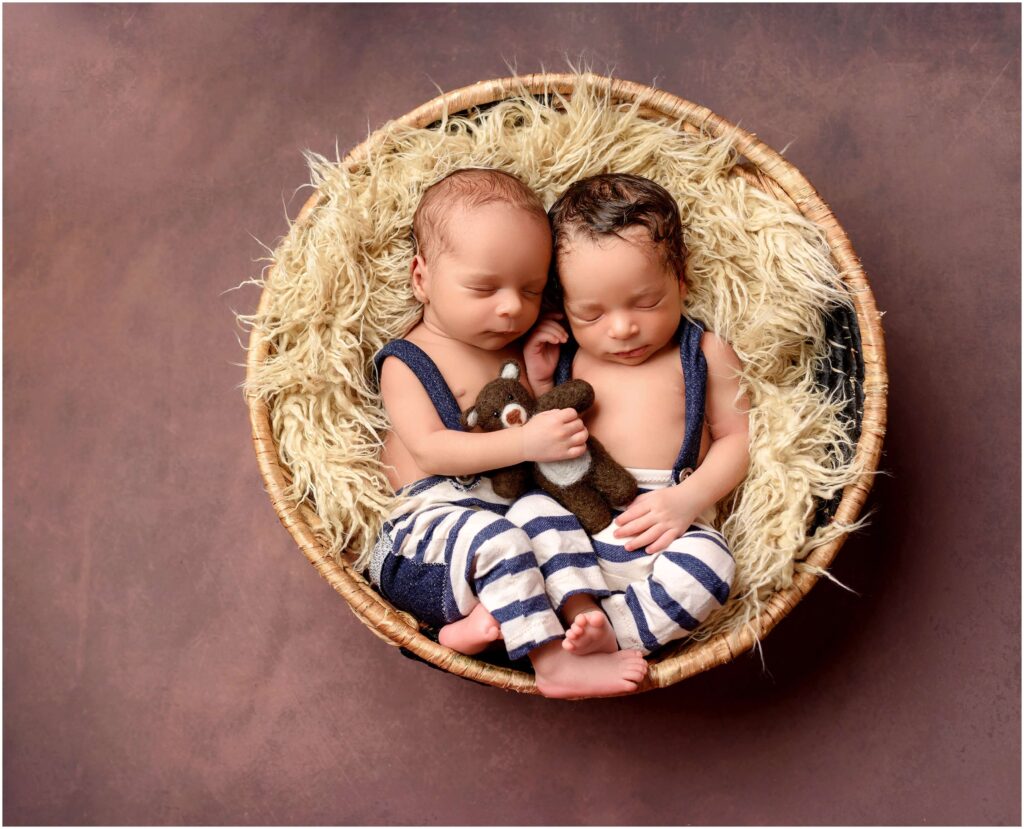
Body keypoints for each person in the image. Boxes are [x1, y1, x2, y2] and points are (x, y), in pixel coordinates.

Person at [371, 168, 648, 698]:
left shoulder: (510, 351)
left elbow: (529, 431)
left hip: (501, 536)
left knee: (547, 514)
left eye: (532, 290)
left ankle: (582, 625)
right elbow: (430, 451)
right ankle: (552, 666)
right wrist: (525, 443)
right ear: (420, 278)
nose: (512, 308)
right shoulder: (407, 361)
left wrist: (539, 378)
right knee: (498, 538)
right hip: (423, 543)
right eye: (484, 287)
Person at [523, 173, 749, 656]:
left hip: (669, 527)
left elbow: (737, 438)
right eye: (592, 315)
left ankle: (615, 635)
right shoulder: (568, 358)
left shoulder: (704, 352)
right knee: (527, 514)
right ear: (562, 303)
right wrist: (541, 382)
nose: (623, 328)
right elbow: (541, 434)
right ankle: (575, 615)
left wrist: (689, 499)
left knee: (711, 564)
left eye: (647, 302)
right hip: (578, 527)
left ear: (680, 279)